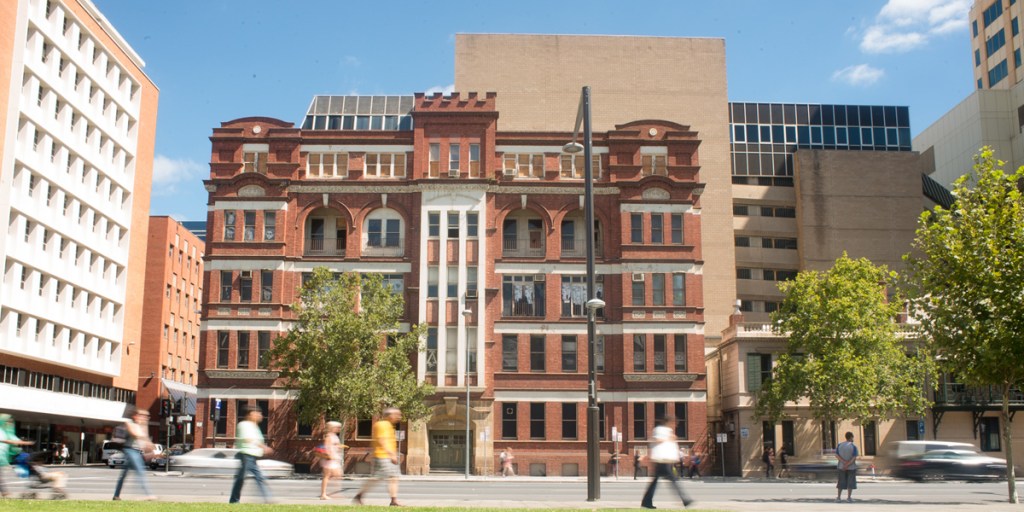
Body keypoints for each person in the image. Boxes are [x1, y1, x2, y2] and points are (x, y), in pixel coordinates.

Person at [640, 416, 694, 510]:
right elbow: (656, 440)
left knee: (656, 483)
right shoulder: (659, 429)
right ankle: (685, 500)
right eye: (674, 423)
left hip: (665, 460)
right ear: (668, 422)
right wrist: (668, 438)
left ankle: (646, 502)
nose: (675, 425)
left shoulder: (668, 430)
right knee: (673, 481)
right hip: (662, 460)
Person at [353, 407, 403, 506]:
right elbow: (381, 440)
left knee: (393, 477)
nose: (399, 417)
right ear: (389, 415)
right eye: (397, 414)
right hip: (382, 456)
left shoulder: (389, 426)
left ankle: (394, 501)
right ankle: (359, 495)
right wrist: (391, 454)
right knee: (377, 478)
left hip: (387, 456)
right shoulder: (382, 425)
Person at [229, 408, 273, 504]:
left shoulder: (254, 426)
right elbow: (248, 439)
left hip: (252, 457)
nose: (259, 415)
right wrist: (263, 447)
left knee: (258, 477)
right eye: (256, 413)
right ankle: (234, 500)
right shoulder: (244, 425)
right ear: (249, 415)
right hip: (246, 455)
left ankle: (268, 499)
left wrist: (261, 448)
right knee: (241, 479)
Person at [112, 407, 156, 501]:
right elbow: (135, 434)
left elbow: (145, 441)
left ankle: (116, 495)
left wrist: (150, 448)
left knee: (124, 475)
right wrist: (143, 429)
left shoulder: (141, 426)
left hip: (136, 451)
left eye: (146, 416)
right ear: (135, 416)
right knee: (140, 470)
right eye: (142, 415)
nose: (145, 418)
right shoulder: (129, 424)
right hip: (129, 450)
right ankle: (148, 494)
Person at [0, 414, 33, 498]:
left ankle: (5, 493)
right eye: (7, 421)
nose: (9, 424)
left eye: (10, 422)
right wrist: (25, 443)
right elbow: (8, 441)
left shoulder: (5, 431)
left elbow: (12, 440)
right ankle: (5, 493)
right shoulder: (1, 431)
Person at [320, 421, 343, 500]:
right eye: (337, 427)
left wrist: (339, 446)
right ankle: (323, 494)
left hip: (334, 459)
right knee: (327, 476)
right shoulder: (329, 436)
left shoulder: (334, 436)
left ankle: (333, 493)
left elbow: (335, 445)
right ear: (332, 428)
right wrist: (330, 456)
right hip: (329, 459)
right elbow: (326, 447)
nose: (339, 429)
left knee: (338, 475)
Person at [835, 432, 859, 503]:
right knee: (850, 483)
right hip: (851, 467)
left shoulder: (839, 445)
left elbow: (836, 455)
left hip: (841, 466)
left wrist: (844, 463)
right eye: (852, 437)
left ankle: (838, 497)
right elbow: (854, 457)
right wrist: (847, 464)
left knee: (840, 482)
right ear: (851, 437)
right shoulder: (853, 446)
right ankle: (848, 497)